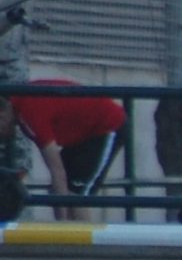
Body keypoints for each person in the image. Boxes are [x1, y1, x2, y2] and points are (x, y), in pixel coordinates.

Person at [0, 82, 127, 222]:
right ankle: (69, 230)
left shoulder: (29, 113)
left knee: (76, 192)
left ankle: (78, 233)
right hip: (85, 132)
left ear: (2, 114)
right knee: (60, 189)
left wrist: (61, 221)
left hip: (106, 125)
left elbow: (57, 170)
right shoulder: (22, 103)